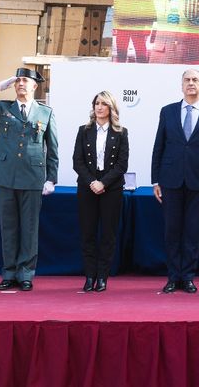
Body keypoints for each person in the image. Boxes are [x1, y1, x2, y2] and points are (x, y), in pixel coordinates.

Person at [0, 67, 59, 292]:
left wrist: (51, 179)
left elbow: (53, 148)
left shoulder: (45, 112)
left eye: (24, 80)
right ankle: (9, 273)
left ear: (34, 86)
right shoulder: (3, 108)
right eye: (18, 80)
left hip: (32, 176)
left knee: (29, 228)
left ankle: (26, 274)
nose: (20, 83)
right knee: (8, 227)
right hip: (6, 175)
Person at [150, 69, 199, 293]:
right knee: (172, 231)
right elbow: (158, 147)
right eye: (187, 80)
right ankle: (173, 277)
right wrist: (155, 181)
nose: (191, 84)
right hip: (170, 181)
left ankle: (188, 276)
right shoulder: (168, 111)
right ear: (181, 85)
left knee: (192, 232)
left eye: (195, 80)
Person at [72, 91, 129, 293]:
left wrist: (103, 183)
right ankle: (89, 276)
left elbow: (122, 164)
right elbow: (77, 161)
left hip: (111, 188)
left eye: (104, 103)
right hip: (87, 187)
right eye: (97, 103)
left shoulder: (122, 132)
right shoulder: (84, 130)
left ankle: (103, 277)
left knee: (108, 234)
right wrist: (92, 182)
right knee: (87, 233)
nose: (99, 107)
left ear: (111, 108)